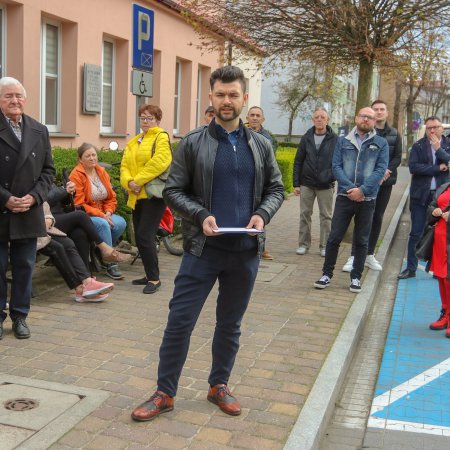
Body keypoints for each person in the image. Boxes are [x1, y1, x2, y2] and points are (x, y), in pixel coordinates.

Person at [131, 65, 284, 421]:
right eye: (220, 94)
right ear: (211, 98)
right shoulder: (193, 143)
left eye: (233, 95)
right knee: (180, 321)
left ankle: (219, 385)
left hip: (245, 252)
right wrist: (201, 215)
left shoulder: (260, 145)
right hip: (202, 250)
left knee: (230, 323)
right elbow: (172, 190)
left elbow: (276, 188)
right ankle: (165, 392)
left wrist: (263, 213)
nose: (226, 101)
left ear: (245, 99)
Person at [0, 77, 55, 340]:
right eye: (8, 95)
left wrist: (34, 198)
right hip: (1, 209)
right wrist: (5, 198)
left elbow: (48, 171)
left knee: (24, 266)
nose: (14, 100)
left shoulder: (39, 130)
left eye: (18, 96)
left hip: (28, 210)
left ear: (25, 99)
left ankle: (20, 316)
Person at [314, 107, 388, 293]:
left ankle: (356, 277)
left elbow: (380, 170)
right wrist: (350, 189)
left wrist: (362, 190)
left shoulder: (381, 143)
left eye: (370, 118)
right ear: (356, 118)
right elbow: (336, 166)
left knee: (362, 240)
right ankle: (326, 274)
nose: (366, 119)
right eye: (363, 116)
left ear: (374, 122)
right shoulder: (342, 141)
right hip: (344, 198)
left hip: (368, 198)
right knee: (334, 237)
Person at [342, 100, 402, 272]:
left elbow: (397, 156)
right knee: (361, 218)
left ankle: (369, 255)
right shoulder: (364, 132)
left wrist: (387, 171)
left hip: (384, 183)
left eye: (382, 109)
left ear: (387, 113)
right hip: (365, 185)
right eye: (376, 109)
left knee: (377, 218)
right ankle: (354, 256)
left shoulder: (395, 134)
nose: (379, 112)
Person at [120, 105, 172, 294]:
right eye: (142, 117)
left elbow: (160, 162)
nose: (145, 121)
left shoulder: (161, 137)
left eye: (149, 118)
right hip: (137, 194)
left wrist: (138, 180)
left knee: (145, 235)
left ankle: (154, 279)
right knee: (141, 238)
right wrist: (129, 182)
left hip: (153, 195)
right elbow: (125, 165)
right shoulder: (134, 141)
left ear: (158, 120)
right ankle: (148, 274)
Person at [398, 116, 450, 279]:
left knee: (440, 234)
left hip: (441, 198)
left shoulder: (447, 145)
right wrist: (437, 168)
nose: (432, 131)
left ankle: (438, 268)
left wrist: (438, 149)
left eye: (435, 127)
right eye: (429, 128)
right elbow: (414, 167)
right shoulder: (419, 146)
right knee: (416, 232)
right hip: (420, 195)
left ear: (442, 128)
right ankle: (411, 268)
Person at [70, 143, 127, 280]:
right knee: (103, 224)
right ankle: (110, 263)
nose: (91, 158)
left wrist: (108, 211)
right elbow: (79, 204)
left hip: (104, 213)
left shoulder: (101, 171)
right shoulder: (76, 175)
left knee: (120, 223)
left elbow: (111, 197)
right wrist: (102, 215)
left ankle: (99, 249)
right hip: (85, 215)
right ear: (80, 159)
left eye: (93, 155)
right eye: (87, 156)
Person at [38, 202, 114, 302]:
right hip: (30, 230)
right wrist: (64, 191)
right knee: (58, 247)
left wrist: (48, 218)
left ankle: (87, 281)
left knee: (73, 238)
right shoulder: (28, 189)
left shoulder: (37, 187)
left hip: (47, 224)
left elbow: (44, 203)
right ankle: (80, 288)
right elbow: (46, 197)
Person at [47, 182, 130, 270]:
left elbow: (62, 202)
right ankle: (104, 249)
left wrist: (70, 193)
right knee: (81, 215)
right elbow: (46, 200)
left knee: (80, 233)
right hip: (47, 220)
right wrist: (64, 190)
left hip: (60, 216)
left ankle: (86, 276)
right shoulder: (36, 181)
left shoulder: (48, 180)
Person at [293, 107, 337, 257]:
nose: (319, 119)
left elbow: (338, 161)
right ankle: (303, 245)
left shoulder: (335, 139)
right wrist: (296, 184)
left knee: (326, 216)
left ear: (327, 120)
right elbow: (298, 161)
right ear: (313, 120)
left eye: (322, 117)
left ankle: (325, 246)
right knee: (305, 214)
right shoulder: (306, 138)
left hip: (326, 184)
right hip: (307, 183)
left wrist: (332, 178)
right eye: (316, 117)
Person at [246, 105, 277, 260]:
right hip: (245, 181)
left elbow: (271, 163)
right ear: (247, 118)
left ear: (262, 119)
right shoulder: (241, 134)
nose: (255, 118)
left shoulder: (268, 138)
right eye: (252, 115)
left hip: (261, 182)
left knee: (260, 214)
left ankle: (261, 247)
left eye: (258, 115)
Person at [427, 181, 450, 337]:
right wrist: (433, 211)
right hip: (440, 237)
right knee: (442, 277)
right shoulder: (446, 185)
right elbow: (432, 204)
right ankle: (445, 313)